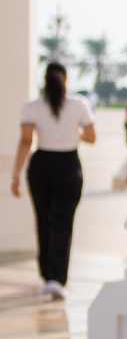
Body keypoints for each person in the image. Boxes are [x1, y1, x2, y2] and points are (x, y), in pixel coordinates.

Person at [10, 62, 97, 301]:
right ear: (65, 80)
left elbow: (26, 141)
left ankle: (48, 275)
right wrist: (74, 132)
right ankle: (57, 279)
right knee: (63, 223)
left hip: (41, 167)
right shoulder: (79, 104)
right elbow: (91, 137)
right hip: (69, 167)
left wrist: (15, 174)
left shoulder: (31, 107)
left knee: (44, 219)